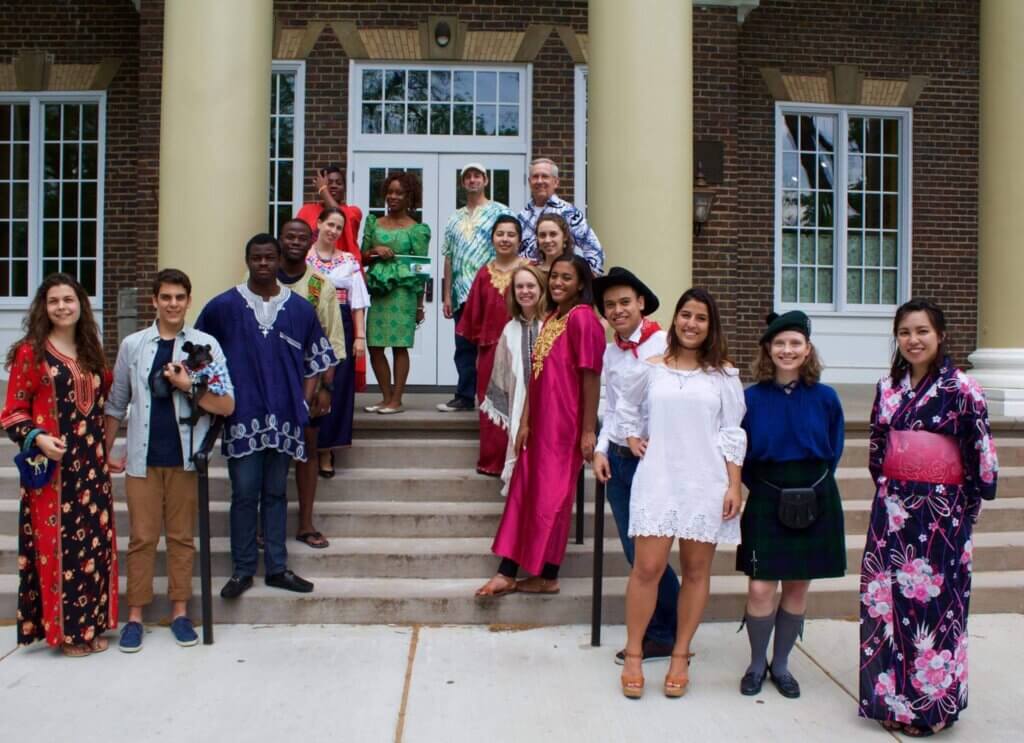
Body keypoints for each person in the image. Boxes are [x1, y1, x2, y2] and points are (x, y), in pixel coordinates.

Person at [858, 299, 997, 737]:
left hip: (942, 516)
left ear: (939, 336)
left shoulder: (963, 389)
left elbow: (982, 459)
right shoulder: (888, 387)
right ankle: (889, 700)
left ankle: (933, 709)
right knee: (885, 605)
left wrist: (962, 506)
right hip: (892, 512)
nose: (913, 340)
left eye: (921, 331)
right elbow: (878, 445)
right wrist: (892, 484)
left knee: (935, 611)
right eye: (904, 332)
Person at [617, 287, 745, 699]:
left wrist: (733, 484)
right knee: (647, 569)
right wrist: (633, 436)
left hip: (705, 483)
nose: (691, 323)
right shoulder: (651, 367)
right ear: (676, 320)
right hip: (658, 478)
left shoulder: (723, 376)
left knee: (695, 572)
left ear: (711, 327)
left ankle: (680, 654)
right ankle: (634, 653)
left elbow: (731, 432)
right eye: (685, 315)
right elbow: (624, 407)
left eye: (701, 318)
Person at [195, 234, 337, 599]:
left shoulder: (301, 310)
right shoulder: (223, 307)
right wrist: (213, 397)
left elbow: (317, 362)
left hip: (286, 419)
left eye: (268, 257)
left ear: (277, 261)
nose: (262, 264)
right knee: (243, 493)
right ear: (247, 260)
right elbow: (197, 352)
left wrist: (304, 402)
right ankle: (242, 570)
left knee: (275, 493)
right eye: (256, 258)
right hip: (243, 417)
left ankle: (276, 567)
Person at [104, 268, 235, 652]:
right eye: (166, 297)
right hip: (142, 458)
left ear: (188, 301)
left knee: (181, 537)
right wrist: (104, 451)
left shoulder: (205, 346)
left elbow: (227, 403)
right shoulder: (134, 345)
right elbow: (116, 403)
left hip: (185, 458)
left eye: (180, 297)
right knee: (142, 538)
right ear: (154, 301)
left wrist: (188, 385)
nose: (173, 304)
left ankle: (179, 612)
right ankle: (135, 616)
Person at [2, 273, 117, 656]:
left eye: (69, 299)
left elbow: (101, 403)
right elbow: (12, 413)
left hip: (92, 467)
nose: (62, 307)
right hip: (53, 474)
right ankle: (67, 633)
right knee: (61, 550)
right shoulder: (30, 353)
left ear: (81, 304)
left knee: (95, 547)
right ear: (43, 308)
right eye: (54, 301)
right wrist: (37, 438)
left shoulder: (91, 350)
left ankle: (92, 625)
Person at [476, 254, 604, 597]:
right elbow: (537, 375)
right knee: (523, 493)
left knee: (552, 500)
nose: (559, 283)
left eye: (567, 278)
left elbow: (591, 377)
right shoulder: (551, 318)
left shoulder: (583, 320)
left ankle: (548, 574)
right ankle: (506, 571)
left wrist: (589, 430)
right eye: (556, 277)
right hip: (538, 425)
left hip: (566, 427)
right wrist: (525, 422)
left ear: (581, 284)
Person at [736, 311, 845, 698]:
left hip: (815, 493)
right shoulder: (749, 398)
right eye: (779, 343)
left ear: (807, 349)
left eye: (795, 343)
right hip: (766, 494)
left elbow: (834, 451)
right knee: (761, 588)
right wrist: (766, 488)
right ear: (768, 348)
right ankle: (755, 663)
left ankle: (781, 666)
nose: (787, 350)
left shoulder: (826, 398)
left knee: (797, 587)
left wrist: (808, 486)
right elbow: (740, 453)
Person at [590, 267, 679, 666]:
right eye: (610, 305)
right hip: (619, 466)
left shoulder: (667, 345)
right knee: (634, 555)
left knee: (649, 559)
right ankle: (663, 629)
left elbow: (676, 405)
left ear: (641, 303)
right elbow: (610, 406)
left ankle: (666, 632)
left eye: (624, 302)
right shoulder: (612, 351)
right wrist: (601, 449)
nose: (617, 310)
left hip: (651, 464)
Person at [278, 218, 349, 548]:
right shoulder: (259, 281)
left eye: (301, 237)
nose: (294, 242)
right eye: (288, 236)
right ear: (280, 239)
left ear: (310, 242)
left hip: (308, 382)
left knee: (306, 451)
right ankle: (267, 525)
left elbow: (334, 341)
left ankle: (305, 524)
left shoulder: (321, 285)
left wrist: (326, 387)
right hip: (270, 382)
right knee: (271, 455)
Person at [455, 215, 528, 475]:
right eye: (500, 234)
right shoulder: (484, 275)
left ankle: (521, 461)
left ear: (520, 239)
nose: (505, 239)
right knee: (492, 406)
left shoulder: (530, 272)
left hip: (524, 350)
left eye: (511, 234)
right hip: (489, 351)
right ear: (493, 238)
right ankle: (493, 461)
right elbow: (473, 317)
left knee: (523, 403)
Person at [438, 163, 513, 413]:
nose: (472, 180)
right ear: (463, 183)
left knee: (494, 344)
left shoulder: (500, 212)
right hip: (461, 293)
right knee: (464, 347)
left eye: (477, 176)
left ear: (486, 180)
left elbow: (509, 248)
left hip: (492, 289)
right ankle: (464, 395)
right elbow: (448, 257)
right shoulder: (454, 218)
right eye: (468, 177)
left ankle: (495, 396)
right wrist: (446, 294)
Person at [305, 211, 371, 474]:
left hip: (340, 325)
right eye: (330, 224)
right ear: (319, 224)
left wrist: (359, 336)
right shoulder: (304, 258)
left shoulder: (348, 260)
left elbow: (357, 303)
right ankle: (304, 445)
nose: (333, 230)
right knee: (306, 383)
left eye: (339, 227)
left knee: (336, 388)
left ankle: (326, 450)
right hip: (307, 324)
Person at [362, 171, 430, 415]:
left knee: (399, 347)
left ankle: (397, 400)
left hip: (403, 293)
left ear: (409, 196)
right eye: (389, 192)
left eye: (399, 192)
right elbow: (361, 257)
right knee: (375, 345)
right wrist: (375, 251)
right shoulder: (374, 223)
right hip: (379, 292)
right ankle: (385, 397)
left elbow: (421, 269)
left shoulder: (417, 229)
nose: (392, 196)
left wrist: (420, 306)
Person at [481, 264, 548, 495]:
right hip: (520, 410)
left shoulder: (552, 325)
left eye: (531, 286)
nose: (525, 291)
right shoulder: (509, 329)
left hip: (550, 408)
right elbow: (502, 374)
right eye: (519, 286)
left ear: (541, 289)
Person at [518, 157, 603, 276]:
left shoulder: (568, 212)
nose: (539, 181)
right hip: (530, 285)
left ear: (556, 182)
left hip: (560, 281)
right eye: (535, 176)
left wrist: (585, 279)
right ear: (529, 181)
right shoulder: (522, 215)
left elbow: (594, 249)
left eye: (545, 176)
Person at [295, 163, 363, 266]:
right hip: (311, 269)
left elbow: (337, 215)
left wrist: (323, 189)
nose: (334, 186)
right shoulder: (306, 211)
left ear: (344, 188)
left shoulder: (354, 212)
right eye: (329, 183)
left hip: (343, 270)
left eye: (339, 183)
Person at [531, 212, 574, 279]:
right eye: (542, 235)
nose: (547, 240)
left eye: (553, 234)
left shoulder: (578, 269)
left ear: (565, 236)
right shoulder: (532, 273)